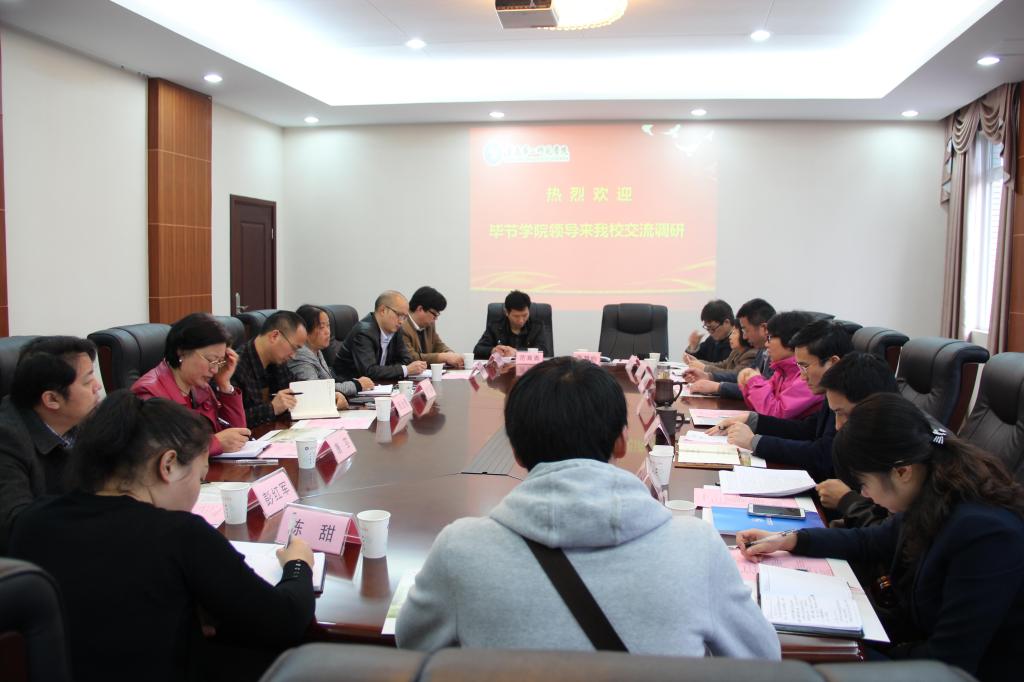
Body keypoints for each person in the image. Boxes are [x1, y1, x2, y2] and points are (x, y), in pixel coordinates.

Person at [396, 357, 780, 658]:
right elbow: (762, 658)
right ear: (621, 443)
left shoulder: (461, 549)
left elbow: (412, 646)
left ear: (516, 452)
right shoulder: (697, 548)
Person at [8, 391, 315, 682]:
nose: (198, 489)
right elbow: (285, 620)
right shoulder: (181, 534)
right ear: (167, 465)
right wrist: (299, 564)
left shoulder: (32, 521)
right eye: (200, 477)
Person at [738, 393, 1024, 682]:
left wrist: (853, 654)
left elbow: (949, 661)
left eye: (863, 484)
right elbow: (870, 540)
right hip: (911, 645)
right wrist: (789, 540)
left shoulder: (986, 535)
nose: (864, 495)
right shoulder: (931, 492)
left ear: (902, 472)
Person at [708, 320, 852, 481]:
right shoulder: (833, 391)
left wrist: (754, 442)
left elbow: (822, 455)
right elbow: (806, 429)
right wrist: (753, 420)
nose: (802, 376)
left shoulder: (850, 400)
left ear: (833, 363)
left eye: (805, 367)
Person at [0, 336, 102, 553]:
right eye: (87, 382)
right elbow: (16, 526)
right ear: (52, 400)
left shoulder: (81, 420)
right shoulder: (7, 440)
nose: (98, 386)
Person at [132, 313, 250, 456]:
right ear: (182, 352)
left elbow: (237, 437)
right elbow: (161, 451)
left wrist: (225, 385)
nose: (215, 369)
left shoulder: (200, 386)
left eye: (219, 362)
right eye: (211, 360)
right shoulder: (149, 393)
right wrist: (214, 443)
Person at [684, 298, 775, 399]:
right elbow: (741, 377)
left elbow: (762, 390)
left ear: (764, 328)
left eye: (745, 330)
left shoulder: (776, 357)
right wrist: (708, 376)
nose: (744, 337)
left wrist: (718, 387)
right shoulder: (762, 351)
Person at [737, 311, 821, 419]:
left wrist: (755, 381)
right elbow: (758, 408)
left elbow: (774, 414)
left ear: (790, 340)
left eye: (770, 338)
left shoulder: (808, 375)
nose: (766, 344)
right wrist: (747, 384)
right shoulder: (782, 371)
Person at [231, 310, 306, 427]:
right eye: (294, 348)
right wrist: (272, 408)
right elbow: (231, 420)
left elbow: (297, 388)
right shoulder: (235, 366)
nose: (293, 355)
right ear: (274, 336)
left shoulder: (277, 361)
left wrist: (330, 396)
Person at [333, 291, 427, 383]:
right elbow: (369, 371)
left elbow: (406, 360)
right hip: (348, 386)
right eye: (399, 315)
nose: (401, 321)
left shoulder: (395, 330)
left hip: (380, 385)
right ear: (383, 310)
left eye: (404, 317)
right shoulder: (363, 333)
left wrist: (390, 370)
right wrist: (405, 370)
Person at [289, 305, 373, 408]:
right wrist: (356, 385)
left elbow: (327, 382)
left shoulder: (317, 351)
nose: (328, 332)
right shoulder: (300, 355)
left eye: (328, 326)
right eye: (321, 327)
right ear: (305, 330)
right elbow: (315, 389)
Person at [473, 290, 550, 359]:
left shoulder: (537, 326)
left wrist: (516, 353)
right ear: (506, 312)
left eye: (525, 315)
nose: (521, 320)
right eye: (516, 316)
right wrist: (493, 350)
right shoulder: (495, 326)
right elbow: (478, 349)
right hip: (502, 369)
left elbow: (544, 351)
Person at [401, 286, 464, 368]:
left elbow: (438, 344)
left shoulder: (429, 324)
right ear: (420, 309)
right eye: (434, 314)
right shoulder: (401, 326)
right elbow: (411, 358)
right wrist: (443, 357)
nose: (436, 319)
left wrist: (450, 353)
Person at [685, 326, 756, 374]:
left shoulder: (751, 355)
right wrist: (697, 362)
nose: (730, 337)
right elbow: (722, 365)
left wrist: (704, 368)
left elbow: (734, 375)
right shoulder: (735, 351)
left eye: (734, 333)